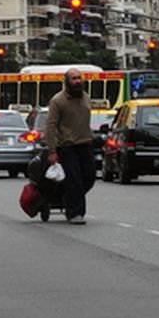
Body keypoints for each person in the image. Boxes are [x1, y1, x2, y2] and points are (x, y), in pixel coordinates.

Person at [44, 69, 94, 225]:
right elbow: (51, 126)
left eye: (79, 78)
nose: (77, 81)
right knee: (74, 180)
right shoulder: (58, 101)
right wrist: (52, 150)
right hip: (67, 147)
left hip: (85, 144)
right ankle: (75, 213)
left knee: (89, 177)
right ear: (67, 81)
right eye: (74, 79)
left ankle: (69, 198)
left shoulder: (85, 97)